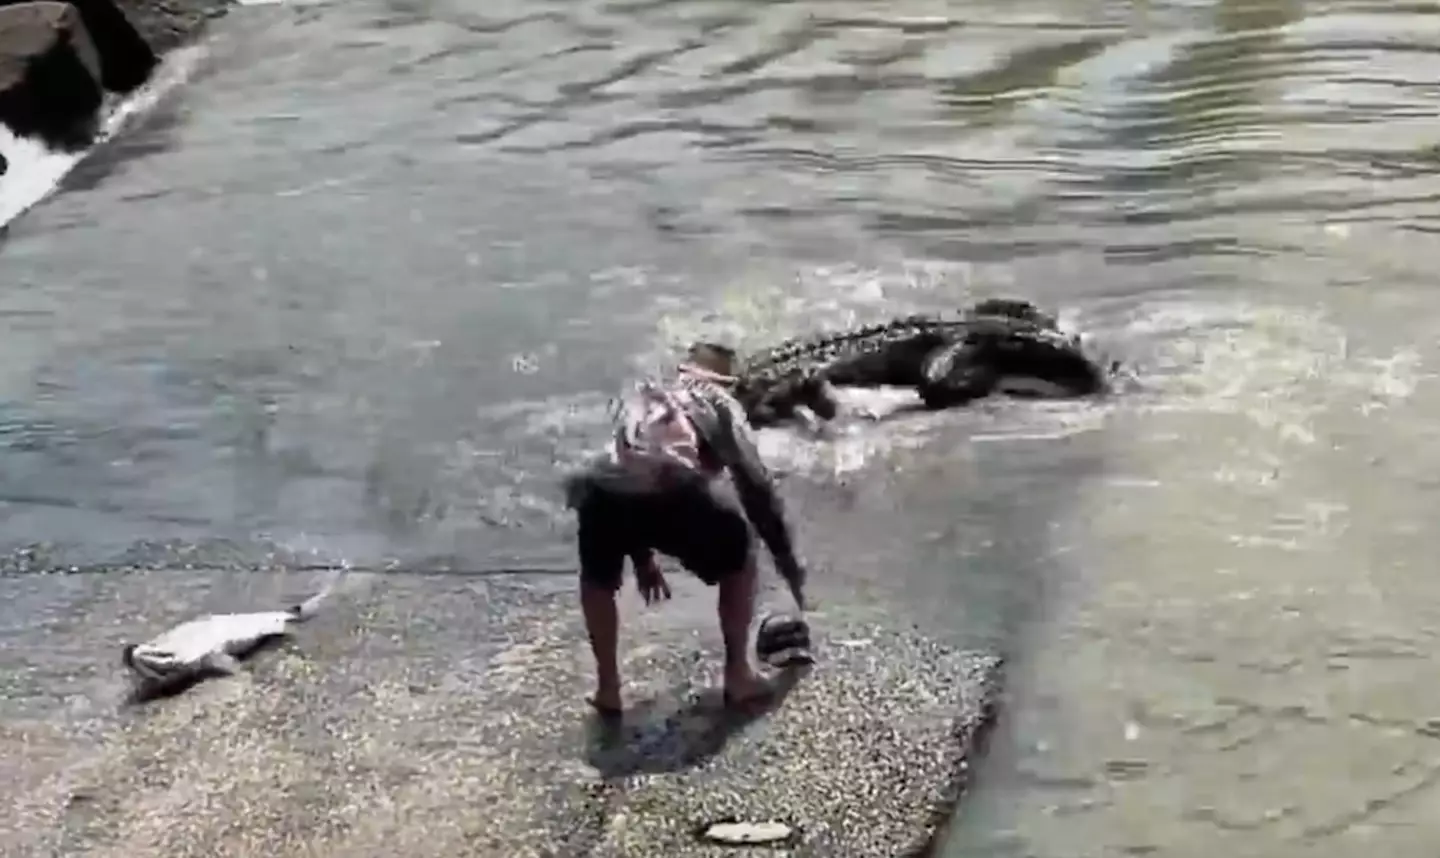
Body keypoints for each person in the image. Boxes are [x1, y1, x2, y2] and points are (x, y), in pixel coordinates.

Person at [563, 342, 809, 715]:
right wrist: (790, 566)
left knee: (598, 578)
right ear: (728, 381)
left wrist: (642, 558)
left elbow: (630, 463)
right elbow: (756, 487)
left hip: (598, 487)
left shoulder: (643, 395)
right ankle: (739, 676)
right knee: (741, 549)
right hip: (669, 483)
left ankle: (608, 688)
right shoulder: (720, 402)